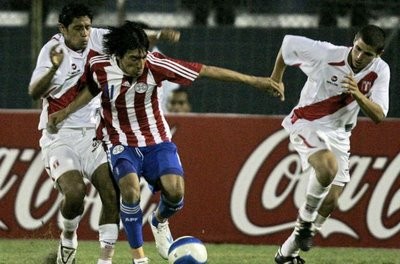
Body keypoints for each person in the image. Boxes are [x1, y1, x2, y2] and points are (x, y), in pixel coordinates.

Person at [46, 21, 283, 264]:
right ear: (117, 56)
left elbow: (206, 70)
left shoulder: (155, 65)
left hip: (156, 139)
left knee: (175, 193)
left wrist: (257, 82)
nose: (139, 64)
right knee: (129, 190)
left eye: (142, 57)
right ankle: (139, 258)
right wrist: (64, 112)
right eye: (133, 59)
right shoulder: (98, 65)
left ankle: (159, 220)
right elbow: (92, 89)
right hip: (120, 141)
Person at [27, 3, 180, 264]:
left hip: (95, 134)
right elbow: (34, 91)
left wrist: (160, 34)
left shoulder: (96, 37)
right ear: (62, 29)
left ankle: (104, 260)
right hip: (59, 135)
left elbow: (128, 39)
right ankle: (68, 236)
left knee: (112, 194)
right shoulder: (52, 50)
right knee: (75, 194)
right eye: (78, 28)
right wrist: (53, 68)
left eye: (87, 26)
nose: (85, 33)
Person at [269, 24, 389, 263]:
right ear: (354, 41)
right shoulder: (326, 53)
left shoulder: (380, 71)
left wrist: (357, 93)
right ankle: (304, 221)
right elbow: (287, 44)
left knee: (332, 200)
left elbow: (379, 115)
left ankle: (287, 254)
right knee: (327, 166)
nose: (359, 56)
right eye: (358, 49)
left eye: (367, 53)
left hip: (340, 134)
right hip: (306, 121)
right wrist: (276, 78)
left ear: (378, 55)